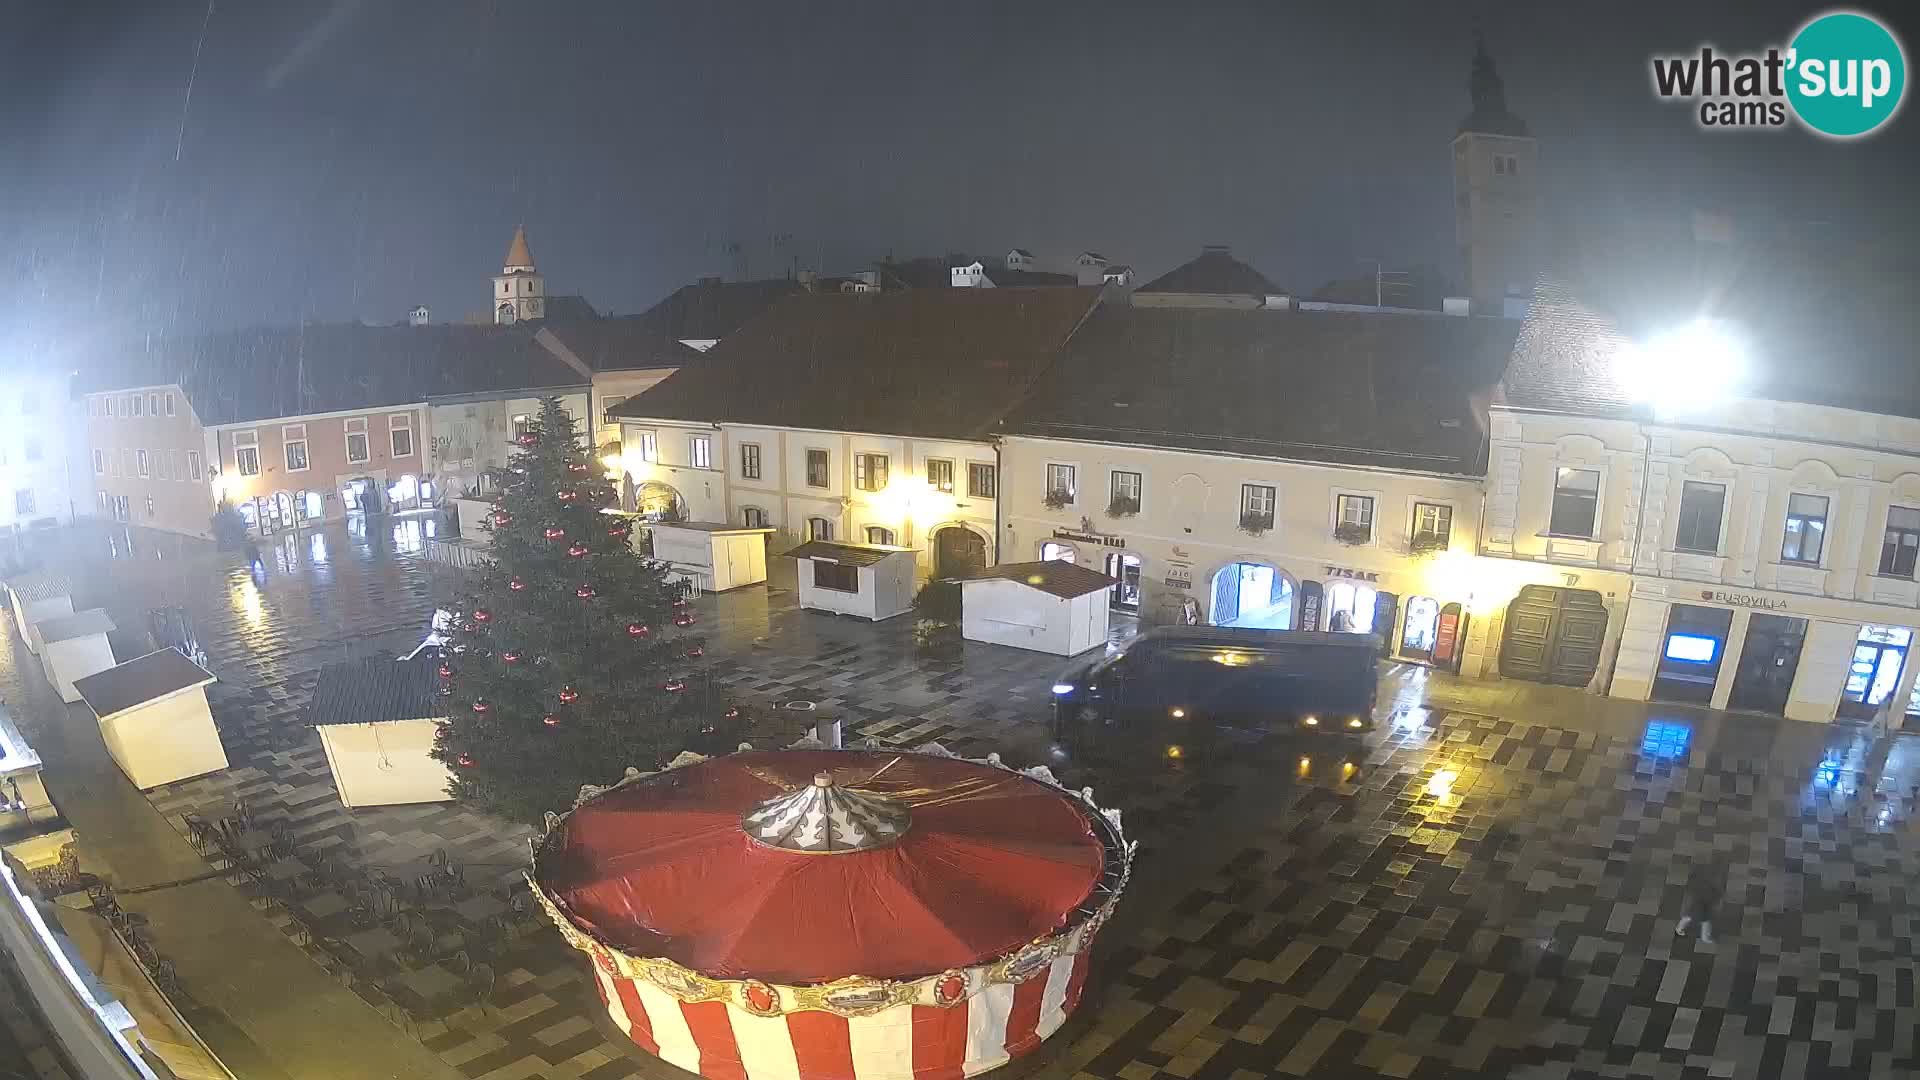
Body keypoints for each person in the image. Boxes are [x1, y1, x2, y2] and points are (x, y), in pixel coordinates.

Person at [1675, 861, 1720, 944]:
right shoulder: (1708, 890)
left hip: (1691, 908)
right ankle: (1705, 938)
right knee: (1706, 923)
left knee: (1687, 918)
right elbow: (1713, 898)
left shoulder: (1692, 887)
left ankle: (1679, 929)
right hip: (1700, 909)